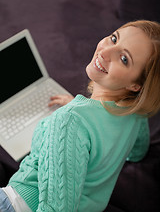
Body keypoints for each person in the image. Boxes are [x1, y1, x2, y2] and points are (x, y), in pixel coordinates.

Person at [0, 20, 160, 212]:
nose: (105, 52)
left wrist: (74, 119)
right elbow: (137, 152)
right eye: (114, 38)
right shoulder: (136, 111)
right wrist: (85, 114)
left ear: (136, 85)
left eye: (124, 59)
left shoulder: (69, 120)